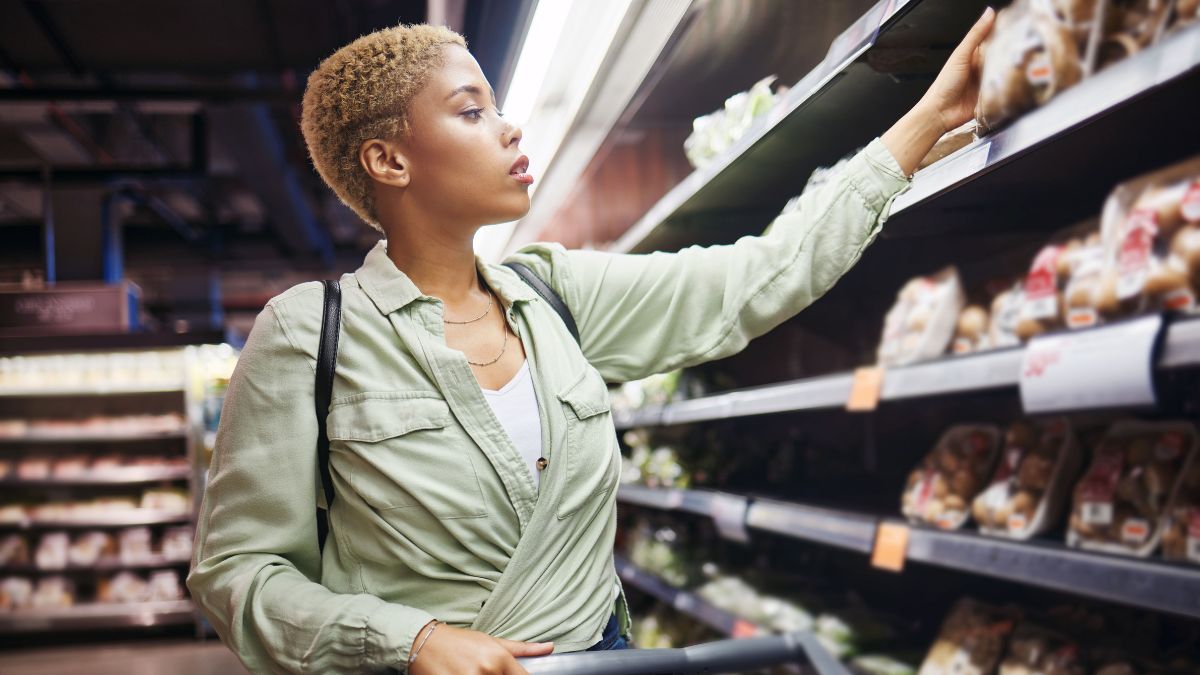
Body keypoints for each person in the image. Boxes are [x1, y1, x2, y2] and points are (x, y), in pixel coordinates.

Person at [187, 9, 996, 675]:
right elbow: (238, 575)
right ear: (388, 159)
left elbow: (757, 275)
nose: (508, 129)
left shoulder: (554, 295)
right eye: (472, 111)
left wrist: (927, 118)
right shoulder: (309, 333)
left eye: (498, 106)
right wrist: (413, 640)